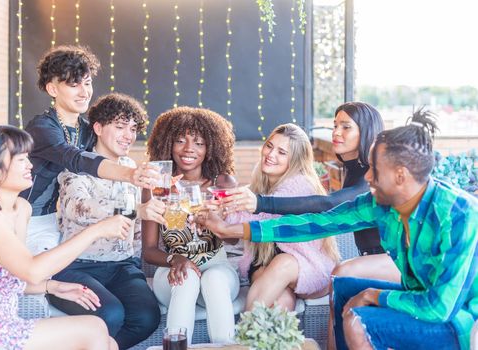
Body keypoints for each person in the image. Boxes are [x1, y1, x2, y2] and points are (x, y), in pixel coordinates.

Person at [200, 110, 478, 350]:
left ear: (400, 175)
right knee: (345, 286)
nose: (367, 177)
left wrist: (374, 295)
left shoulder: (458, 216)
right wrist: (232, 229)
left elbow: (439, 307)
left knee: (358, 318)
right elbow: (317, 222)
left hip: (456, 320)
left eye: (375, 171)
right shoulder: (381, 202)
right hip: (418, 299)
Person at [0, 125, 132, 349]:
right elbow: (32, 269)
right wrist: (96, 230)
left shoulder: (21, 208)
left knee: (110, 343)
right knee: (94, 328)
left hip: (3, 324)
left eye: (28, 157)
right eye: (20, 159)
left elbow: (13, 276)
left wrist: (54, 287)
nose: (30, 165)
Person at [48, 93, 163, 349]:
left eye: (133, 129)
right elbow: (78, 208)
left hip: (122, 266)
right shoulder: (77, 165)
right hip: (77, 266)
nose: (128, 135)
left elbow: (135, 230)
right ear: (98, 128)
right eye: (120, 127)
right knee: (110, 314)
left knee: (147, 317)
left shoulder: (131, 167)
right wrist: (136, 209)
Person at [20, 45, 158, 255]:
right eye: (75, 85)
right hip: (20, 217)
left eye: (87, 83)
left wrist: (152, 179)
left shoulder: (86, 129)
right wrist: (131, 175)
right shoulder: (42, 127)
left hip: (50, 219)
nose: (84, 92)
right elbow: (75, 158)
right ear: (53, 89)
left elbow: (107, 151)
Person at [142, 106, 240, 344]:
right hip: (173, 273)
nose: (188, 149)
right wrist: (175, 259)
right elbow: (149, 250)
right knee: (187, 278)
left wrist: (216, 223)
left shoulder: (222, 182)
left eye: (198, 143)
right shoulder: (157, 185)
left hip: (218, 270)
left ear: (210, 148)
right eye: (180, 140)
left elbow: (233, 239)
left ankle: (226, 348)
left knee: (213, 279)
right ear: (167, 144)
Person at [225, 123, 340, 311]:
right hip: (266, 261)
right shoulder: (259, 181)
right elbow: (238, 215)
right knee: (280, 301)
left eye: (282, 152)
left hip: (307, 265)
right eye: (269, 146)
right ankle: (267, 340)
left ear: (295, 160)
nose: (271, 155)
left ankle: (241, 337)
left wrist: (228, 214)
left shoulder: (301, 185)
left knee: (283, 263)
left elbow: (264, 220)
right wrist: (221, 208)